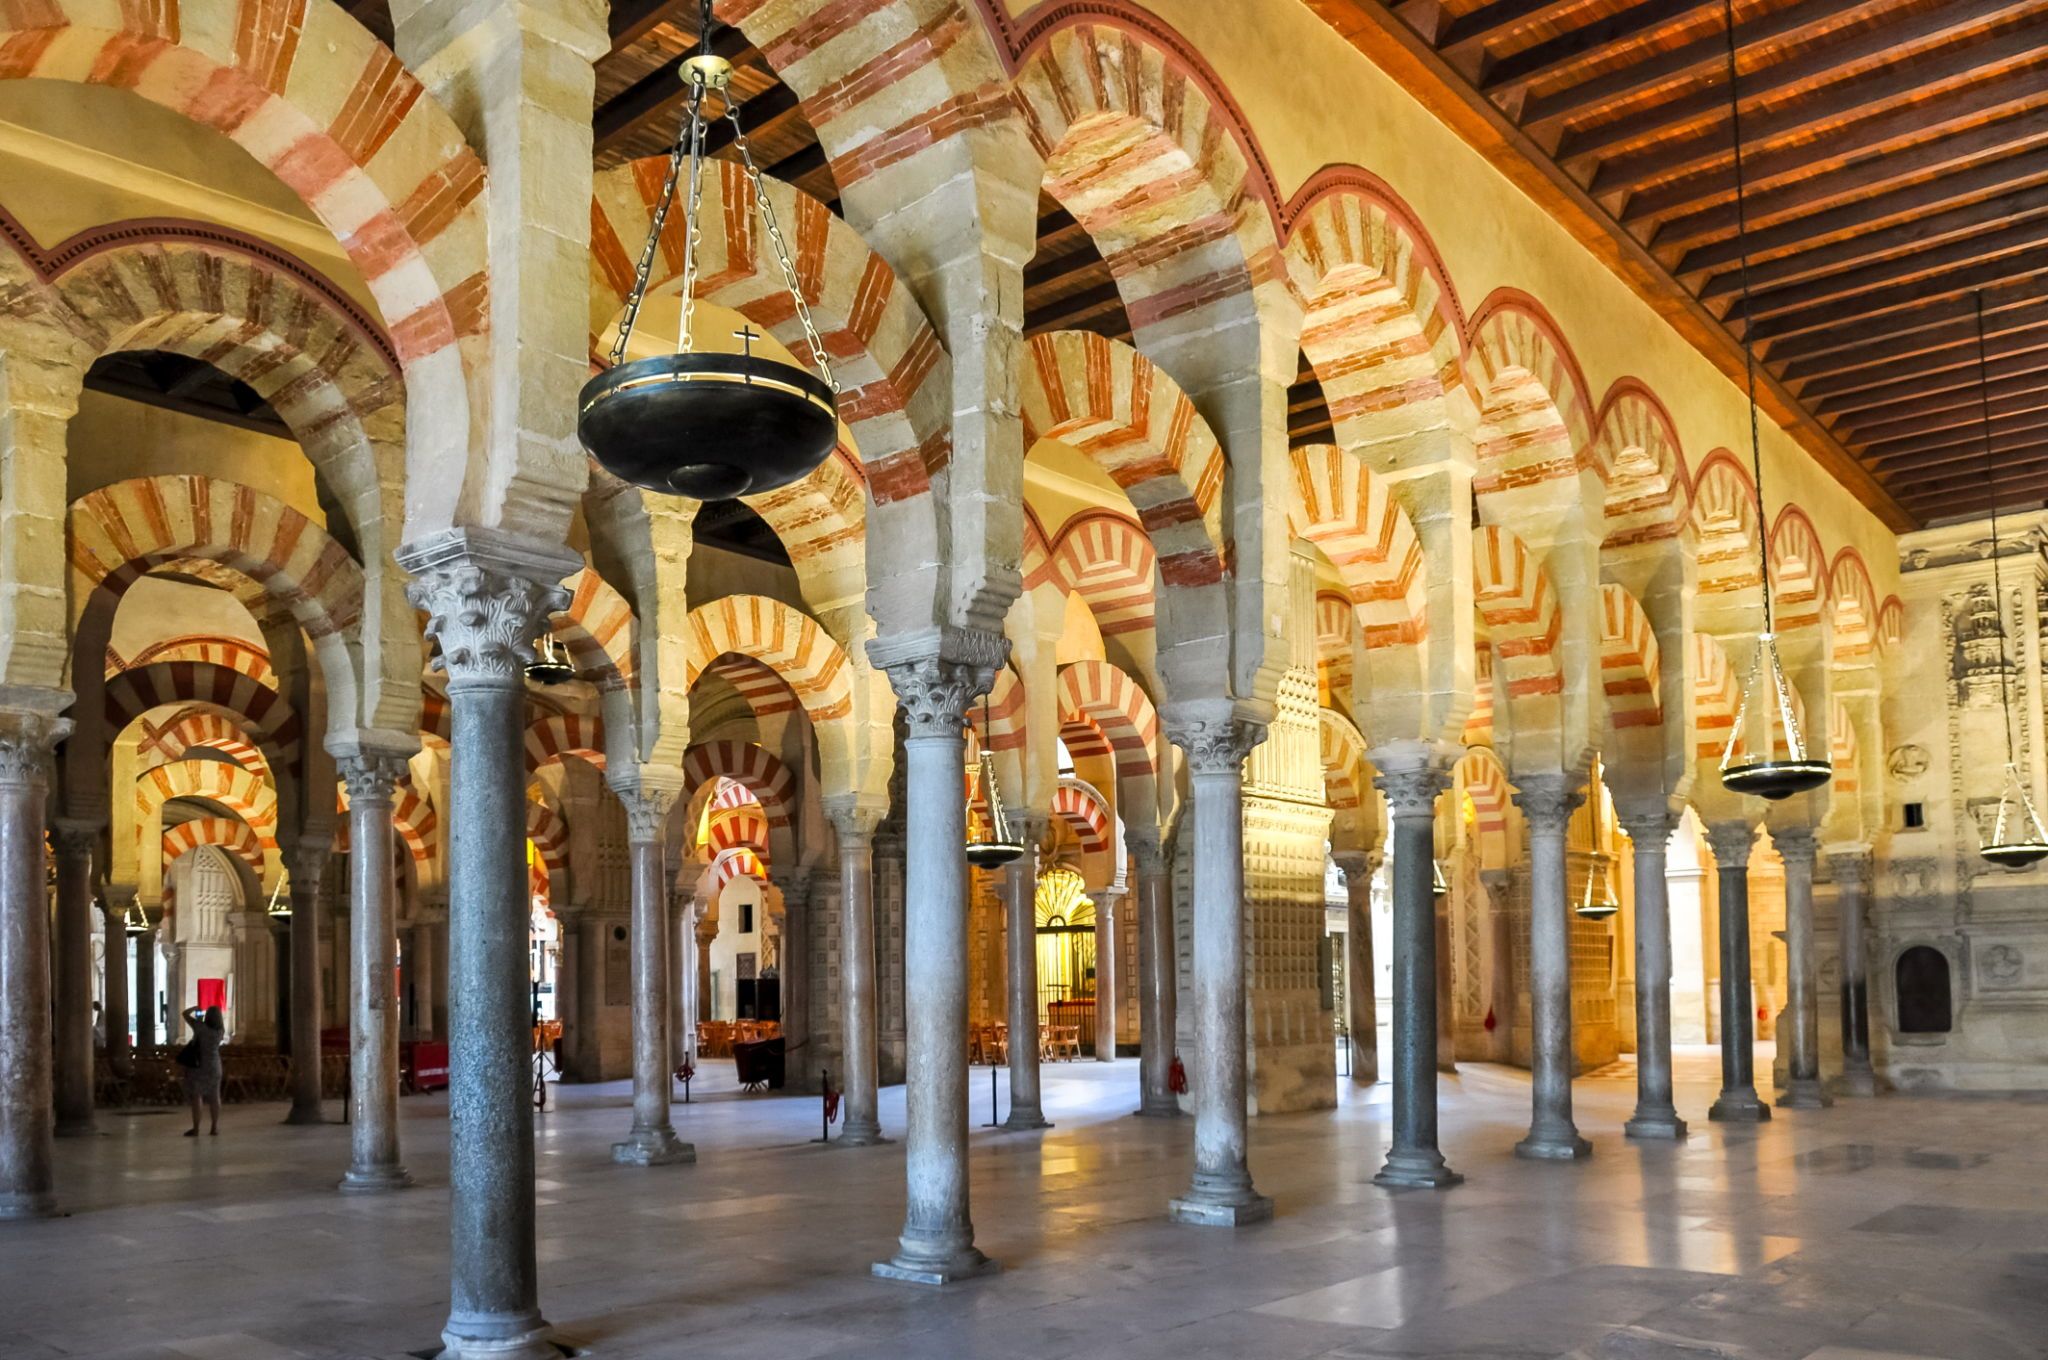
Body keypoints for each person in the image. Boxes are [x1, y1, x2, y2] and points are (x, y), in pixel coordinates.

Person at [179, 1005, 226, 1136]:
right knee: (215, 1096)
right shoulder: (220, 1031)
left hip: (200, 1064)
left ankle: (196, 1128)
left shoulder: (200, 1027)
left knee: (197, 1095)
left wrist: (196, 1008)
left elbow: (185, 1013)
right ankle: (214, 1127)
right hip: (215, 1065)